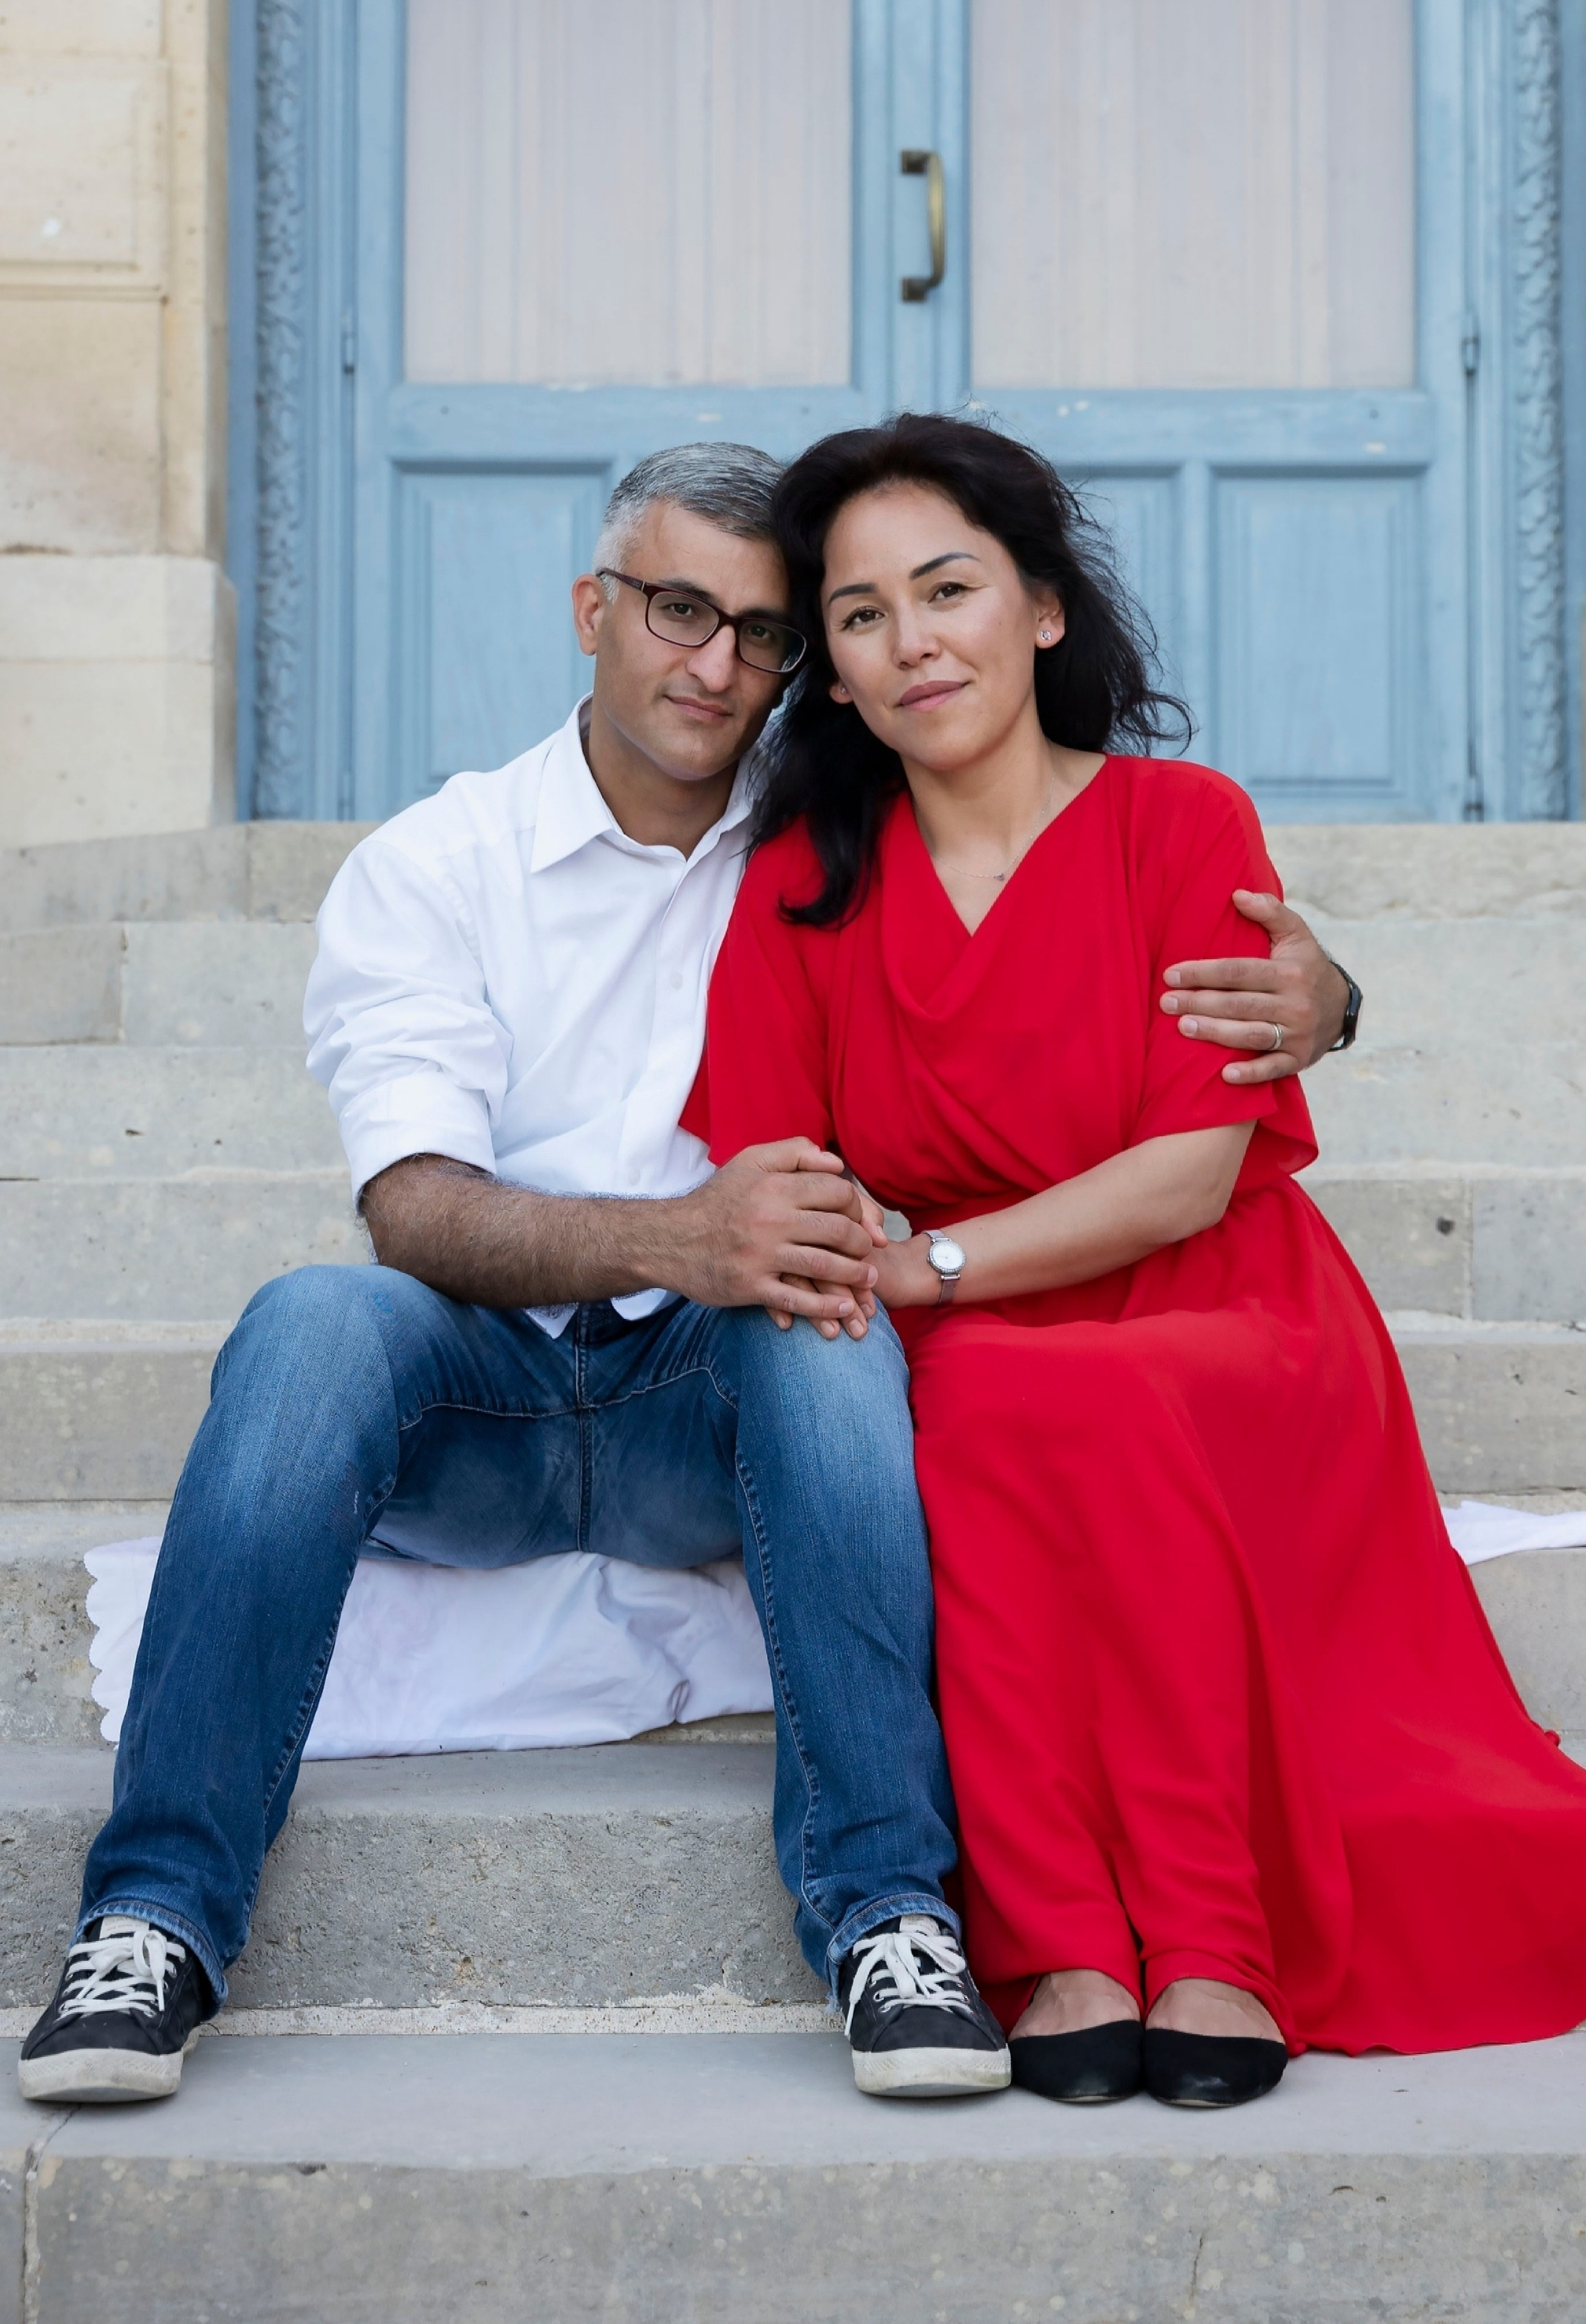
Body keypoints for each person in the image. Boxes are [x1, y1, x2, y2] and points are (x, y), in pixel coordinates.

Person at [18, 441, 1356, 2109]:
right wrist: (676, 1237)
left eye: (762, 630)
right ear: (593, 608)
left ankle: (888, 1913)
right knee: (310, 1320)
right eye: (674, 611)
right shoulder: (439, 863)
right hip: (477, 1386)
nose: (714, 665)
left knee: (814, 1310)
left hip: (709, 1390)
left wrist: (1328, 996)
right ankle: (150, 1920)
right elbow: (414, 1207)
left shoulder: (824, 835)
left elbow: (1063, 890)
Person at [687, 415, 1586, 2110]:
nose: (911, 639)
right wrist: (906, 1277)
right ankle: (1064, 1938)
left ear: (1042, 608)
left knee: (1085, 1394)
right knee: (990, 1404)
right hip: (963, 1316)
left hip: (1218, 1292)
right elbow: (775, 1169)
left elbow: (1187, 1173)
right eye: (859, 614)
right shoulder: (801, 881)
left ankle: (1213, 1936)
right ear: (830, 674)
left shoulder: (1177, 821)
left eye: (947, 589)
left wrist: (928, 1266)